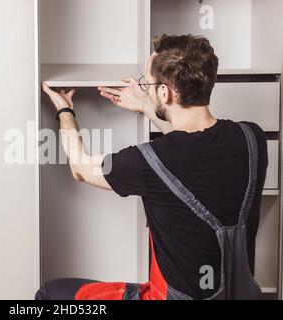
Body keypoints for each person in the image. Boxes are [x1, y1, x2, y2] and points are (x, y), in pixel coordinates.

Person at [35, 34, 268, 300]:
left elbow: (79, 167)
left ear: (165, 92)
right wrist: (148, 106)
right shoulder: (253, 139)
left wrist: (65, 111)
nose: (144, 87)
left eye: (147, 83)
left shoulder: (145, 162)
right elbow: (191, 147)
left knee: (49, 294)